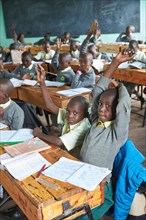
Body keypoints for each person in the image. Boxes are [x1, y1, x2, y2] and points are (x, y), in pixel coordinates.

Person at [79, 48, 135, 219]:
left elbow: (124, 105)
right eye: (101, 104)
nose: (102, 108)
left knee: (106, 200)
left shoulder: (116, 132)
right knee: (80, 200)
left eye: (108, 106)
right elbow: (98, 90)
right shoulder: (97, 120)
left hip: (100, 179)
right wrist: (116, 62)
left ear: (117, 110)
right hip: (82, 172)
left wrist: (121, 87)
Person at [33, 64, 91, 158]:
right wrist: (42, 82)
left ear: (85, 115)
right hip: (64, 152)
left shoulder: (83, 127)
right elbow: (50, 105)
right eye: (68, 111)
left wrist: (39, 134)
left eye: (75, 113)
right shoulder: (70, 116)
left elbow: (58, 141)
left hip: (75, 158)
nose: (69, 115)